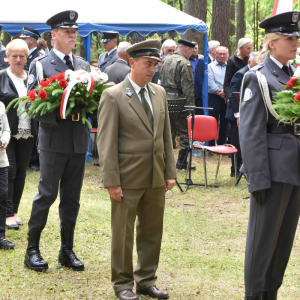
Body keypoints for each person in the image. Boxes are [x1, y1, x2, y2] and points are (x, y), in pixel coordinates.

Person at [98, 39, 176, 300]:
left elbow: (166, 135)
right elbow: (106, 142)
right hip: (127, 177)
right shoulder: (113, 95)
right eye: (147, 64)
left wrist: (170, 171)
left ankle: (146, 280)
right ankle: (122, 284)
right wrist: (111, 180)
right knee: (123, 232)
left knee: (152, 230)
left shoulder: (159, 93)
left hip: (155, 174)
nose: (152, 69)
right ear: (132, 62)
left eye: (155, 64)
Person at [239, 11, 300, 300]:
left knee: (283, 241)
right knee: (263, 242)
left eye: (297, 38)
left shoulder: (292, 76)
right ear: (272, 43)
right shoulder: (259, 78)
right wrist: (258, 179)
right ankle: (254, 294)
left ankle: (270, 292)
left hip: (293, 169)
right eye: (290, 38)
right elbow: (251, 134)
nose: (296, 43)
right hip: (272, 173)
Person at [24, 10, 90, 272]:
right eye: (67, 31)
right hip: (54, 137)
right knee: (47, 195)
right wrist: (58, 109)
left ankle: (66, 250)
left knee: (72, 197)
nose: (72, 35)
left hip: (79, 139)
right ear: (53, 35)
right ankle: (32, 250)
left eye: (74, 31)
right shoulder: (41, 64)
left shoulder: (83, 66)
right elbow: (31, 104)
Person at [0, 40, 37, 230]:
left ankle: (14, 212)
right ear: (7, 57)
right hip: (6, 133)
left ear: (26, 57)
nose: (18, 59)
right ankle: (5, 214)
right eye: (14, 56)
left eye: (22, 56)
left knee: (21, 173)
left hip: (28, 132)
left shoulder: (31, 78)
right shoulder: (1, 77)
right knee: (10, 171)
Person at [159, 39, 196, 169]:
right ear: (186, 49)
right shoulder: (185, 63)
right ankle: (182, 162)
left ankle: (163, 160)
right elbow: (188, 87)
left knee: (167, 130)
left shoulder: (165, 60)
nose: (192, 53)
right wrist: (190, 107)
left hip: (164, 97)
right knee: (185, 131)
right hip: (179, 100)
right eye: (191, 50)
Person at [225, 51, 259, 176]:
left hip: (251, 114)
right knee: (237, 142)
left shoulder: (259, 73)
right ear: (249, 62)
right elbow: (234, 96)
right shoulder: (240, 74)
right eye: (255, 63)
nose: (258, 66)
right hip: (237, 114)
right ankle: (235, 169)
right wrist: (238, 115)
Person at [207, 46, 229, 146]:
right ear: (215, 55)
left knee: (225, 120)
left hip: (226, 98)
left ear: (227, 55)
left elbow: (230, 81)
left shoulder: (229, 67)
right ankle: (211, 143)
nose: (222, 56)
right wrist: (220, 92)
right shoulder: (210, 66)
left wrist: (226, 93)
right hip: (214, 97)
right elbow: (210, 82)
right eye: (219, 54)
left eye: (224, 54)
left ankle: (222, 143)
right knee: (213, 120)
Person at [194, 40, 220, 114]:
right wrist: (205, 92)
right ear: (212, 50)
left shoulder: (217, 62)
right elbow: (199, 79)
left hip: (212, 95)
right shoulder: (202, 60)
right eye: (218, 48)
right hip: (203, 96)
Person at [0, 102, 12, 249]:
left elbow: (7, 129)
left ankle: (1, 236)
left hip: (1, 160)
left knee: (2, 195)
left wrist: (5, 139)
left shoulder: (1, 105)